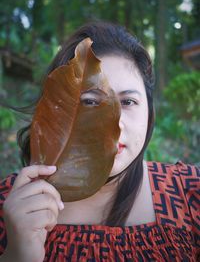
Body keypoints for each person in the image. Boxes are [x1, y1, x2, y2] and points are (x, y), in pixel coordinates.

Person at [0, 21, 199, 262]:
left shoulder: (190, 195)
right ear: (60, 113)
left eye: (127, 102)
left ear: (149, 111)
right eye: (91, 102)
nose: (114, 124)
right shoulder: (12, 205)